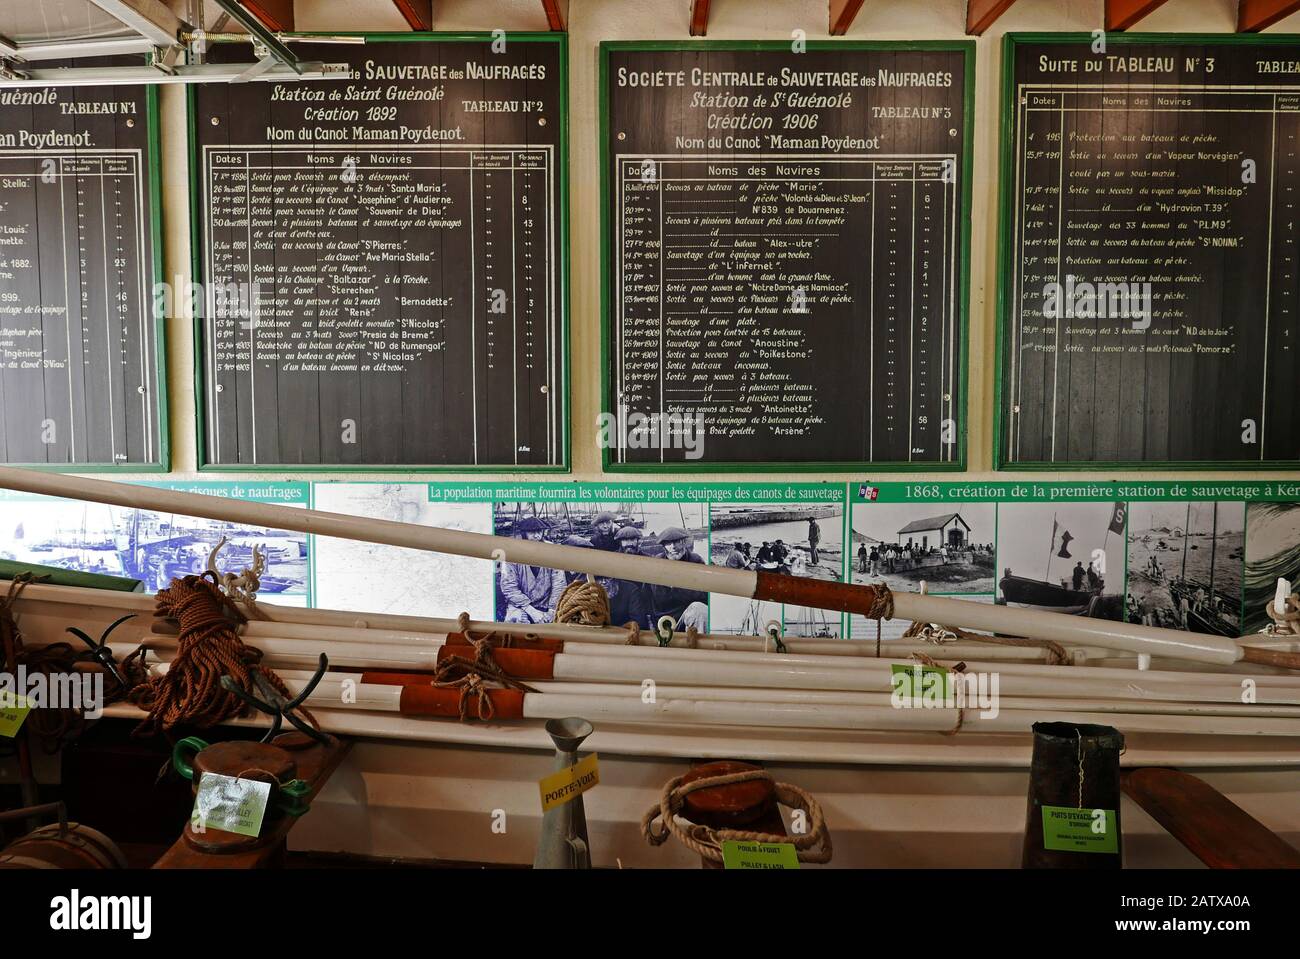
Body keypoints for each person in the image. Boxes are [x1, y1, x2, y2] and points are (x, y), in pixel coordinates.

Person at [499, 516, 565, 624]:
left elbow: (559, 583)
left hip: (547, 603)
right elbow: (509, 587)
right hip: (520, 604)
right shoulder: (511, 553)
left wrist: (552, 610)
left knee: (556, 626)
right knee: (516, 622)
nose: (536, 536)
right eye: (532, 532)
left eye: (539, 532)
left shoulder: (553, 550)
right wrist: (531, 610)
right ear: (524, 534)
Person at [650, 527, 708, 632]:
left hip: (690, 616)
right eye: (668, 543)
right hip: (664, 621)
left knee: (699, 609)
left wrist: (675, 587)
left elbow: (704, 595)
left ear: (684, 542)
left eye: (676, 542)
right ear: (663, 546)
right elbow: (657, 596)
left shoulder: (696, 561)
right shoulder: (657, 563)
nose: (673, 547)